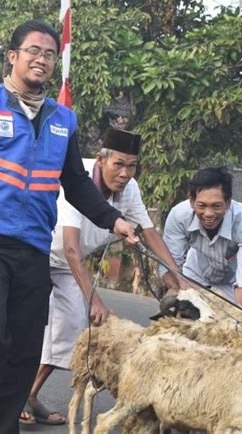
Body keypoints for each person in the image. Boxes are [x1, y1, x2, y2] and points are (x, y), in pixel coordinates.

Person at [0, 20, 139, 434]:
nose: (41, 59)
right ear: (13, 56)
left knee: (22, 350)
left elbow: (75, 182)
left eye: (48, 54)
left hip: (32, 247)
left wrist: (114, 221)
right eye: (33, 51)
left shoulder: (63, 121)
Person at [21, 127, 185, 424]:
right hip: (36, 254)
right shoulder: (77, 178)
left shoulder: (129, 188)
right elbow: (70, 247)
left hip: (70, 263)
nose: (125, 173)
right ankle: (8, 397)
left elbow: (149, 233)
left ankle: (28, 395)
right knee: (27, 327)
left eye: (132, 166)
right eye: (118, 164)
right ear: (100, 160)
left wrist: (177, 276)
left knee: (71, 328)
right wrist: (95, 299)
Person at [160, 166, 242, 306]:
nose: (208, 214)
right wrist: (180, 289)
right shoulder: (179, 216)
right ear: (191, 201)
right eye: (201, 206)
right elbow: (169, 263)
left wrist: (233, 312)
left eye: (216, 206)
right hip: (193, 279)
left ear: (228, 203)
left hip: (233, 286)